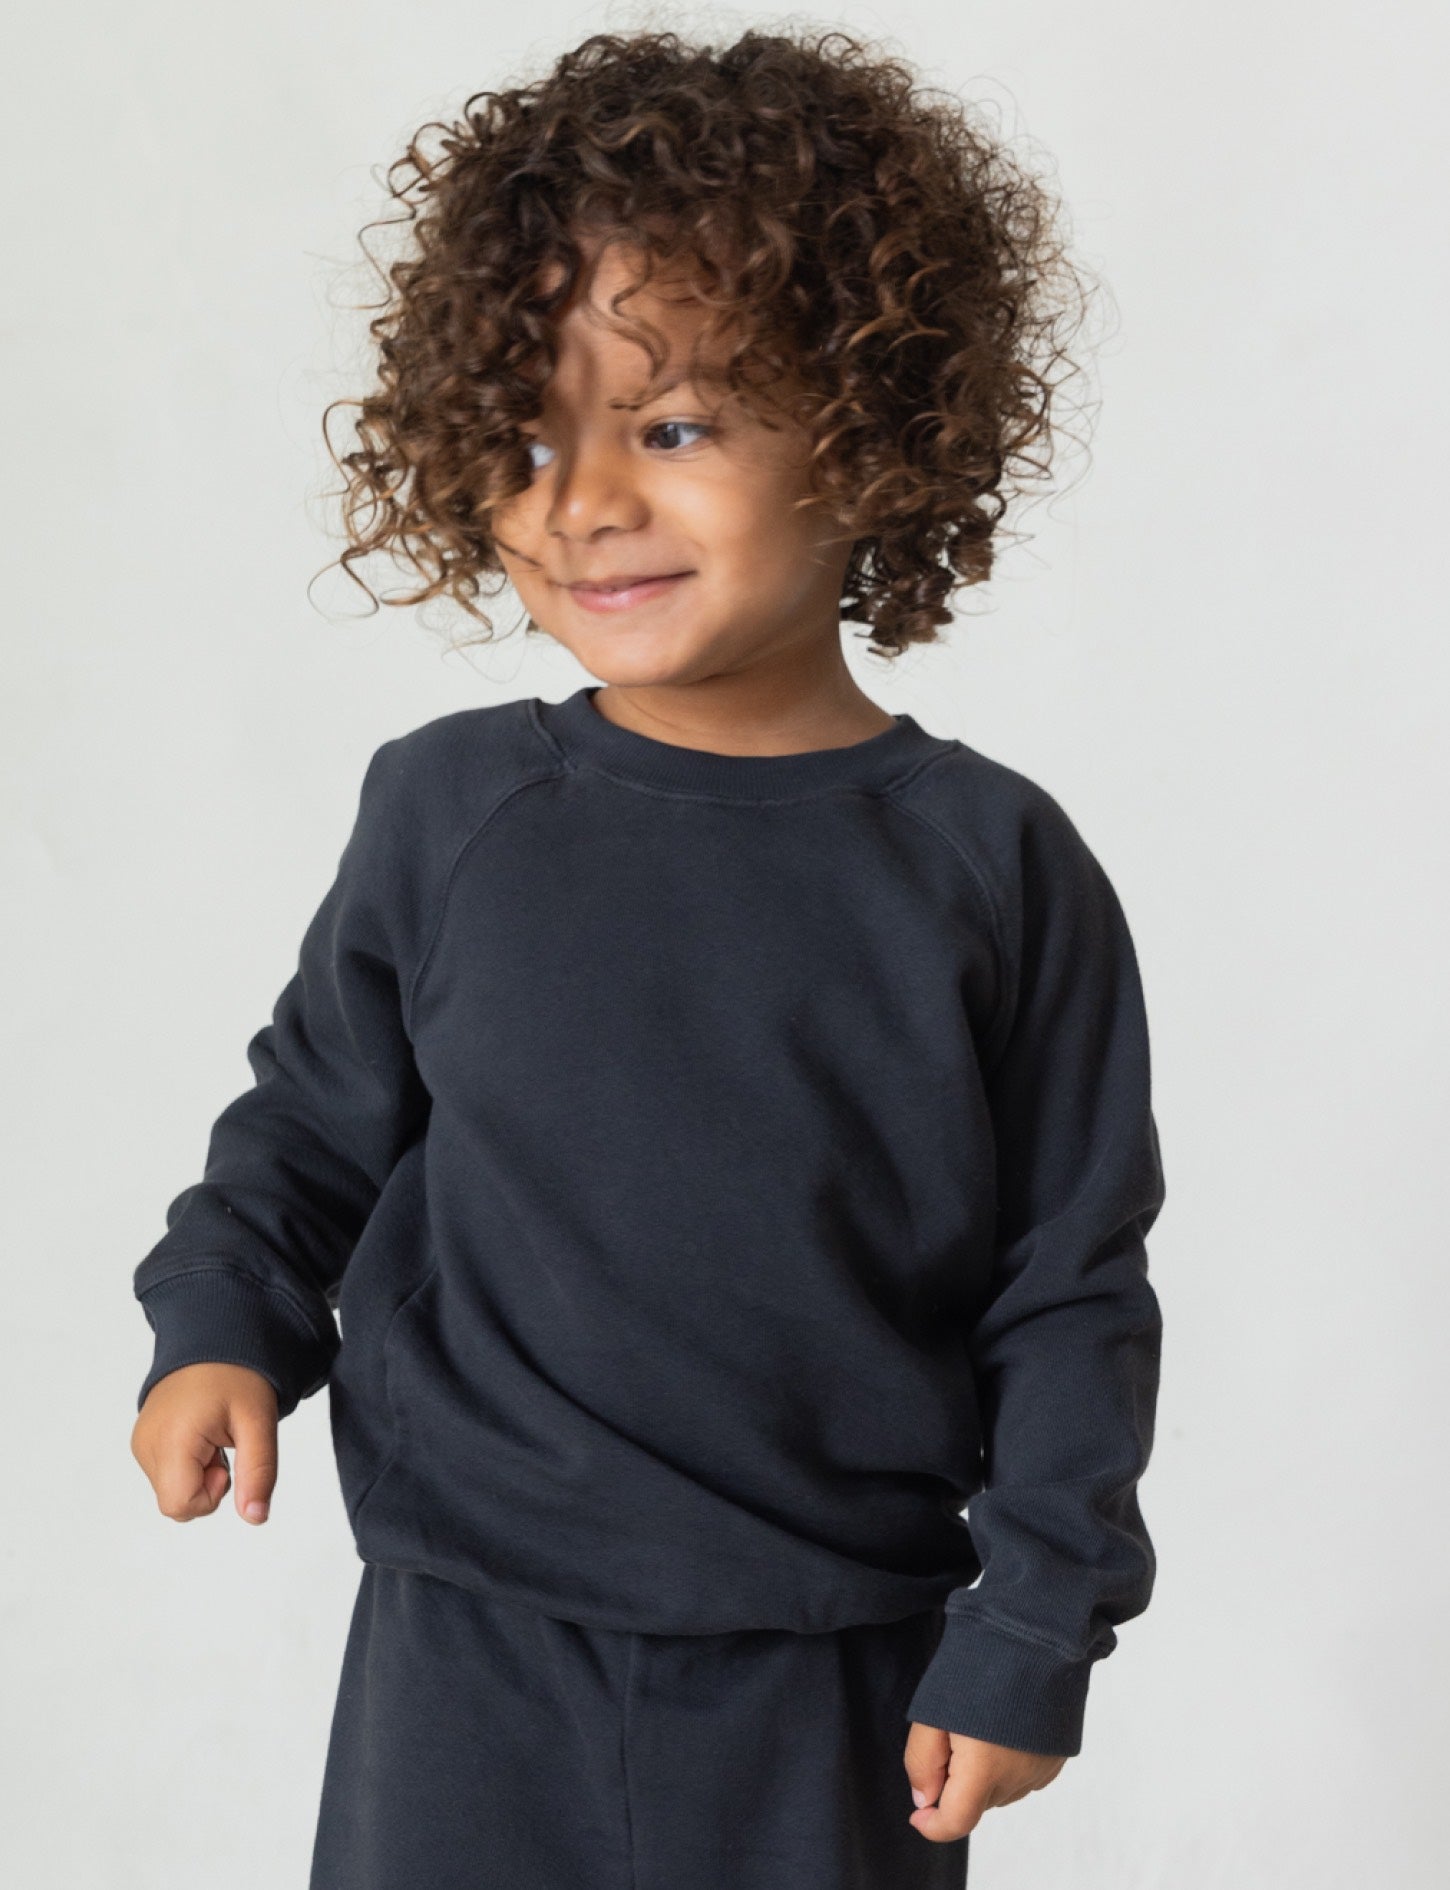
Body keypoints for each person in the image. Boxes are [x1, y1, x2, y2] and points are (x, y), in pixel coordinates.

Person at [128, 27, 1166, 1890]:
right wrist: (224, 1327)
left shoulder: (991, 865)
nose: (580, 496)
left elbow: (1069, 1288)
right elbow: (310, 1120)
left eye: (670, 425)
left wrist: (1035, 1625)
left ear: (870, 420)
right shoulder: (452, 811)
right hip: (467, 1640)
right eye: (526, 433)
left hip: (838, 1674)